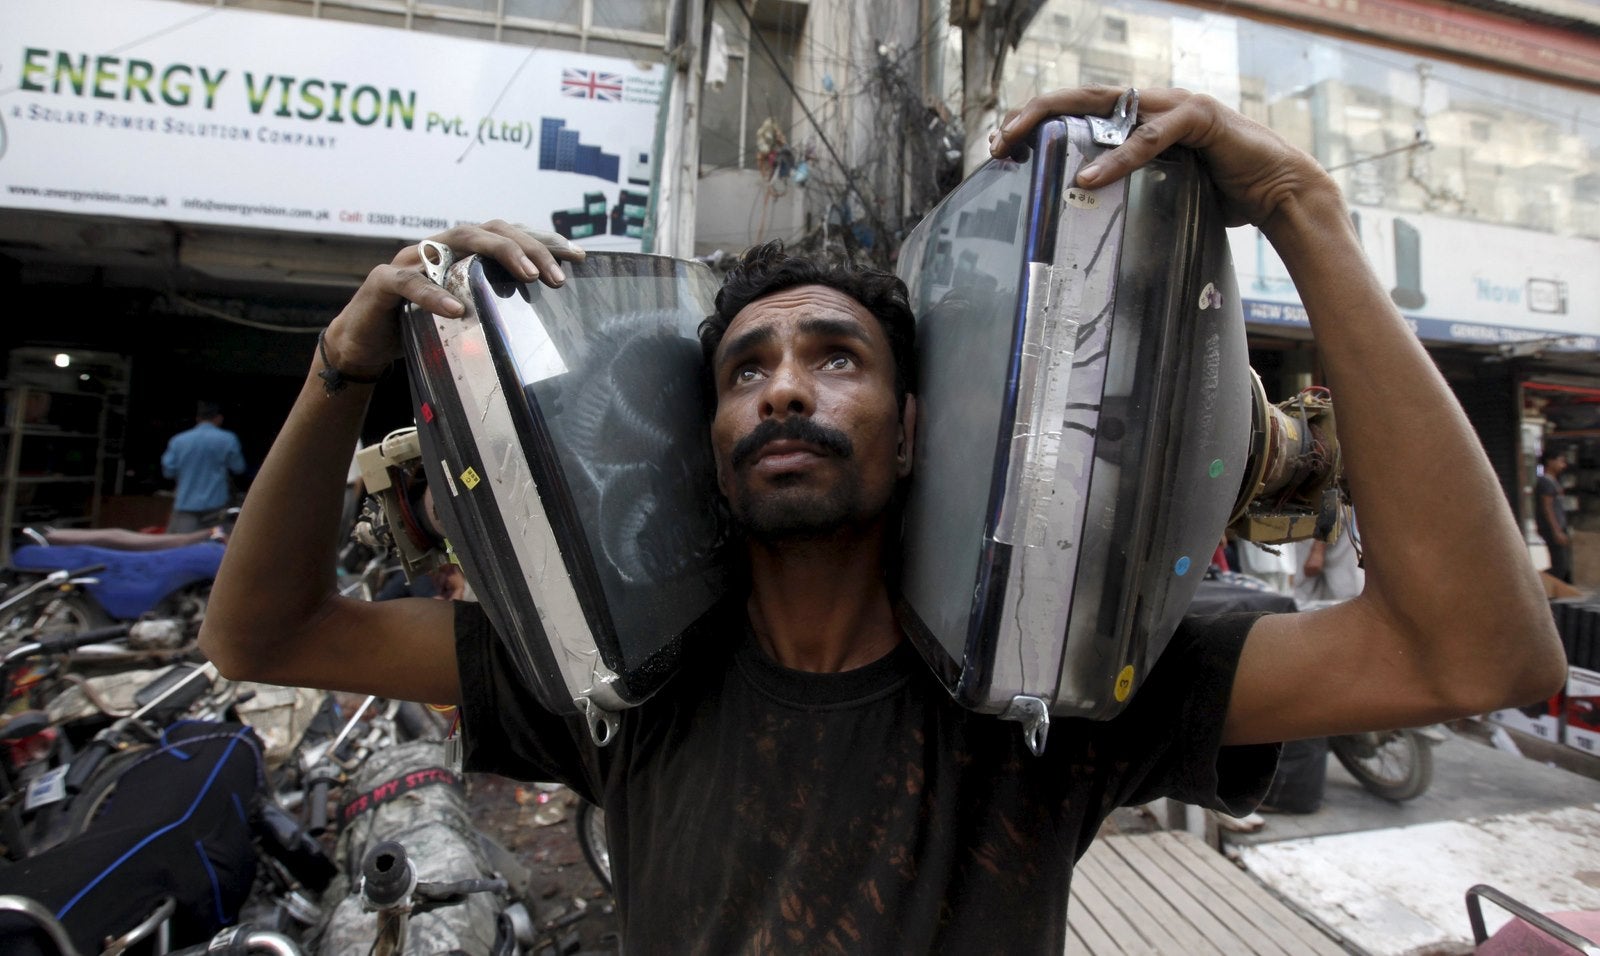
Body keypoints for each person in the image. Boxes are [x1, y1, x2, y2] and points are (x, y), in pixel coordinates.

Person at [199, 87, 1565, 950]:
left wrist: (1299, 209)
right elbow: (264, 632)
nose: (785, 385)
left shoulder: (1052, 683)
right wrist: (344, 367)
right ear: (710, 436)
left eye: (837, 358)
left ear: (914, 433)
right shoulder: (629, 677)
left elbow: (1479, 661)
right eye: (748, 368)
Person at [160, 400, 246, 533]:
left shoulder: (178, 441)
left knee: (181, 547)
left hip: (185, 504)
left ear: (197, 419)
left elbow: (168, 472)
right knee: (217, 547)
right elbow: (238, 468)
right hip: (216, 506)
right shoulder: (228, 439)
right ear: (219, 419)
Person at [1536, 448, 1572, 584]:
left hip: (1558, 527)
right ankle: (1537, 584)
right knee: (1559, 566)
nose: (1563, 465)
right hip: (1551, 529)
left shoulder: (1553, 482)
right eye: (1560, 461)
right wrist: (1556, 531)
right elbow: (1547, 507)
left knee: (1562, 564)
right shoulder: (1545, 482)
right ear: (1550, 462)